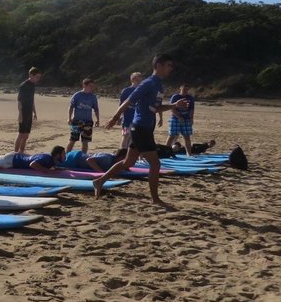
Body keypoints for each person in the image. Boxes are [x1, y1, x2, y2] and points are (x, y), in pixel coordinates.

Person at [93, 54, 189, 208]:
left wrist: (174, 105)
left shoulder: (159, 86)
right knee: (155, 164)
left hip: (144, 128)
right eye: (168, 65)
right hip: (140, 128)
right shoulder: (148, 83)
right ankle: (155, 199)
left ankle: (99, 181)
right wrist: (115, 117)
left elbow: (156, 108)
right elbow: (128, 101)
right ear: (158, 65)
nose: (171, 69)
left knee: (127, 163)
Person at [66, 79, 100, 153]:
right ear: (84, 85)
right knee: (73, 139)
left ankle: (83, 157)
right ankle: (66, 156)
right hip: (76, 121)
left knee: (85, 141)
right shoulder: (77, 95)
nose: (92, 88)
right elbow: (71, 107)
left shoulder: (93, 97)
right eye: (90, 86)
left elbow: (96, 109)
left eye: (93, 86)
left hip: (88, 122)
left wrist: (98, 119)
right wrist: (69, 118)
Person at [14, 67, 42, 153]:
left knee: (26, 135)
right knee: (21, 134)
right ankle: (15, 153)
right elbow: (19, 101)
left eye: (39, 77)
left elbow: (32, 99)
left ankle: (21, 152)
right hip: (23, 112)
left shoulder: (33, 85)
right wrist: (20, 114)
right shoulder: (23, 85)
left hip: (29, 112)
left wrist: (34, 112)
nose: (38, 79)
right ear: (30, 75)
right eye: (36, 77)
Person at [165, 84, 196, 155]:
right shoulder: (175, 97)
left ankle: (189, 153)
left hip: (186, 119)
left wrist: (191, 118)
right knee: (171, 135)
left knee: (186, 136)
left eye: (187, 89)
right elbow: (172, 108)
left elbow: (191, 109)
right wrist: (179, 117)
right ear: (180, 88)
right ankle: (165, 151)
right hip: (175, 119)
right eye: (184, 89)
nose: (185, 91)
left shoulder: (190, 98)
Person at [0, 147, 66, 171]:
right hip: (11, 161)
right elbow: (32, 164)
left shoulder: (51, 159)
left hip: (15, 158)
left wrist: (58, 169)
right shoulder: (47, 159)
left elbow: (50, 165)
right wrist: (46, 170)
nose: (65, 156)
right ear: (58, 155)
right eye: (63, 154)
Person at [60, 149, 127, 172]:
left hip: (78, 156)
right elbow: (89, 160)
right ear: (121, 157)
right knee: (56, 163)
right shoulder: (107, 159)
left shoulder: (113, 160)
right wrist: (101, 172)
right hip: (75, 159)